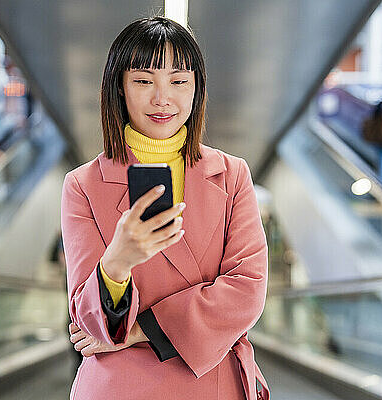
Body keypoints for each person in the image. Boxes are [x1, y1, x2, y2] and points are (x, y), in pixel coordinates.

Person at [61, 17, 269, 400]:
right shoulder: (83, 185)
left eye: (178, 81)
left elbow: (248, 289)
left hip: (213, 382)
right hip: (120, 386)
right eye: (143, 81)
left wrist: (141, 331)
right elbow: (87, 320)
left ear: (197, 90)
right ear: (120, 88)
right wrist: (116, 264)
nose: (162, 99)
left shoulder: (232, 175)